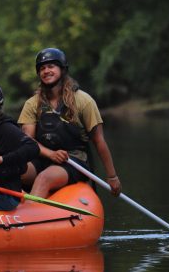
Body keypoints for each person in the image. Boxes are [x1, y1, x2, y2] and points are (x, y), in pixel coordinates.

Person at [18, 48, 122, 199]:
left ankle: (28, 217)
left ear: (62, 68)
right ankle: (5, 211)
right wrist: (50, 154)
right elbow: (28, 141)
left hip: (73, 161)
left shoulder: (83, 101)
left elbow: (98, 140)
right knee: (13, 169)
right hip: (42, 157)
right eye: (42, 68)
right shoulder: (32, 104)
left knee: (44, 178)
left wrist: (112, 177)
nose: (46, 71)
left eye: (51, 66)